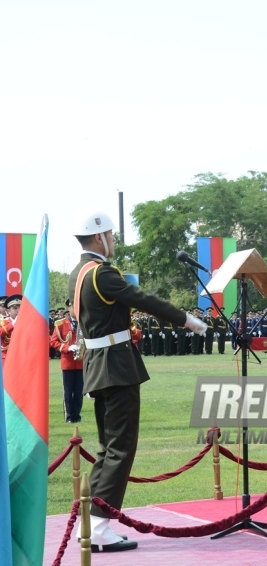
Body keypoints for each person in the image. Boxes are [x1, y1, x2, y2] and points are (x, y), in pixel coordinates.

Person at [68, 210, 206, 553]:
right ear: (100, 238)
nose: (114, 241)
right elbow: (141, 299)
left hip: (98, 366)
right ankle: (100, 526)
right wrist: (186, 319)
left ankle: (92, 519)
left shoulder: (77, 273)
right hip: (116, 367)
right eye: (112, 236)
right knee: (120, 446)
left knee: (107, 446)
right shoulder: (101, 274)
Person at [49, 300, 84, 423]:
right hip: (67, 362)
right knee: (68, 392)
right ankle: (69, 416)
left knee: (79, 392)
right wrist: (67, 348)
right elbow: (53, 342)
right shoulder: (60, 323)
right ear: (69, 308)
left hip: (81, 361)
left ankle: (77, 415)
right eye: (74, 307)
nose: (77, 309)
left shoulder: (83, 322)